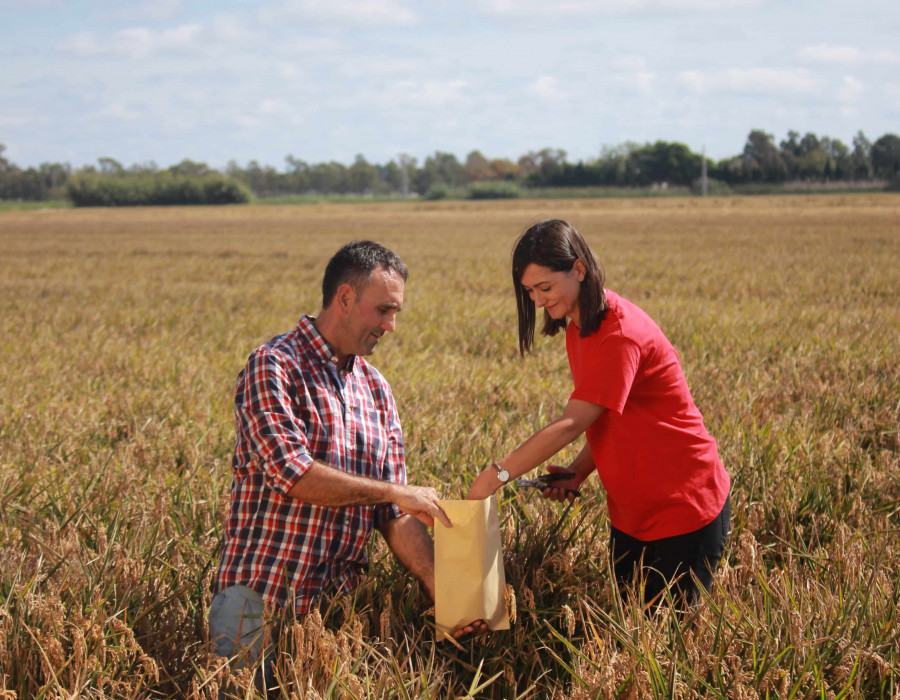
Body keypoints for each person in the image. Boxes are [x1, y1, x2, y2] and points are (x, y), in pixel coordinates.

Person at [211, 241, 481, 690]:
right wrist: (394, 493)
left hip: (333, 614)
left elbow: (393, 513)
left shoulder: (376, 390)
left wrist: (441, 583)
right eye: (383, 310)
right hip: (257, 601)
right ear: (345, 298)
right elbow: (292, 474)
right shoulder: (274, 366)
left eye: (396, 313)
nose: (390, 326)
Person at [467, 219, 731, 610]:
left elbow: (571, 423)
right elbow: (606, 416)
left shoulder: (620, 334)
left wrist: (496, 475)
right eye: (529, 291)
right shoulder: (580, 327)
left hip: (683, 507)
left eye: (545, 288)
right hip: (631, 512)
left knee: (668, 645)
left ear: (579, 269)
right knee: (632, 627)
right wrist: (579, 471)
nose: (537, 302)